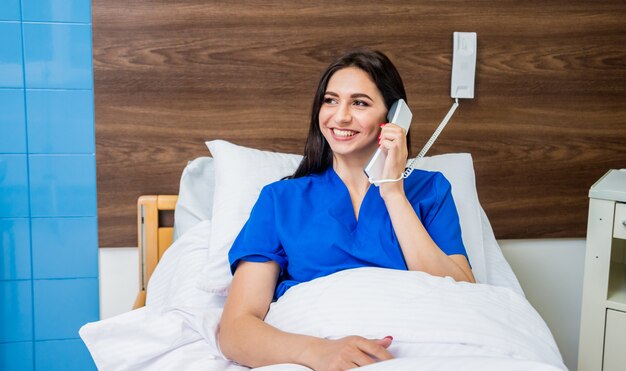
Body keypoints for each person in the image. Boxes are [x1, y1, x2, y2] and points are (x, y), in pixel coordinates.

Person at [218, 49, 475, 370]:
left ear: (394, 116)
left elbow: (463, 292)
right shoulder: (280, 199)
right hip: (317, 349)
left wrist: (393, 190)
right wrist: (319, 353)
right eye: (330, 100)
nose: (340, 116)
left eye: (360, 103)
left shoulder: (430, 190)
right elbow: (235, 329)